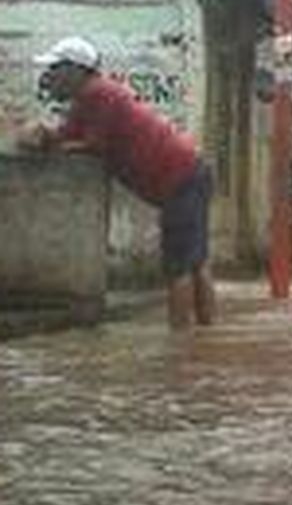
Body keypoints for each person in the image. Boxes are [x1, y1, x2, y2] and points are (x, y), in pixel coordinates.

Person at [19, 37, 215, 329]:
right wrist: (47, 136)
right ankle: (205, 337)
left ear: (75, 70)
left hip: (180, 177)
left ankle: (182, 349)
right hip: (189, 172)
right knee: (194, 260)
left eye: (55, 69)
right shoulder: (89, 99)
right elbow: (69, 138)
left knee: (178, 267)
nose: (50, 78)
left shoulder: (98, 93)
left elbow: (92, 147)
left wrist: (45, 141)